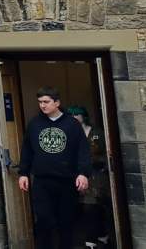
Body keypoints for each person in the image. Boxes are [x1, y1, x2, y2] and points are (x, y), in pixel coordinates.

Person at [18, 87, 92, 249]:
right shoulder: (35, 124)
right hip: (42, 181)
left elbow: (83, 151)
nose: (42, 105)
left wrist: (83, 173)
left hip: (66, 181)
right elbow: (27, 149)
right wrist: (23, 173)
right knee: (44, 220)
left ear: (57, 103)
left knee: (66, 222)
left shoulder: (72, 124)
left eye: (46, 102)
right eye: (40, 102)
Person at [68, 105, 112, 247]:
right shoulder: (69, 134)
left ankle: (96, 237)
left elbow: (107, 153)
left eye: (76, 114)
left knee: (96, 206)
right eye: (71, 114)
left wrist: (101, 164)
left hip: (97, 175)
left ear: (83, 116)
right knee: (87, 207)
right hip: (78, 175)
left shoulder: (97, 133)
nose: (74, 116)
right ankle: (95, 237)